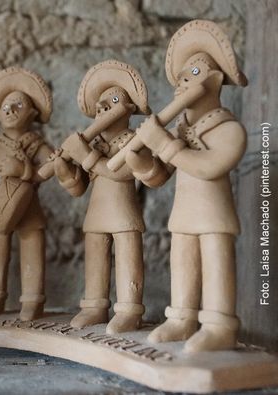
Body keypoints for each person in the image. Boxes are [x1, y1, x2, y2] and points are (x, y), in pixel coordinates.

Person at [128, 20, 247, 352]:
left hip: (214, 217)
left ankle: (219, 324)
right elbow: (160, 174)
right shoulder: (178, 130)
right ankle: (181, 318)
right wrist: (140, 162)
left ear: (216, 79)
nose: (182, 83)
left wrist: (165, 144)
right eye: (180, 78)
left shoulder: (228, 129)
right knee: (182, 263)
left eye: (192, 74)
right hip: (183, 216)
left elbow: (209, 167)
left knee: (215, 263)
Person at [55, 60, 163, 333]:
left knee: (127, 257)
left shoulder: (133, 141)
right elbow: (79, 187)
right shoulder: (97, 144)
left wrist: (85, 156)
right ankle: (94, 305)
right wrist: (64, 168)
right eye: (100, 105)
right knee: (95, 257)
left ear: (128, 110)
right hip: (96, 215)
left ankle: (129, 310)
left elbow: (121, 172)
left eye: (113, 101)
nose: (103, 108)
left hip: (124, 214)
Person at [0, 67, 54, 321]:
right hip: (0, 209)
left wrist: (25, 170)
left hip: (29, 208)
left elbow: (51, 168)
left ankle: (32, 300)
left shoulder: (38, 146)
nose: (11, 110)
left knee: (32, 247)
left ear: (32, 113)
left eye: (19, 105)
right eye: (7, 106)